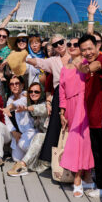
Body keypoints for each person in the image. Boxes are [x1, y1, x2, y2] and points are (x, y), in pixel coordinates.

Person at [76, 33, 102, 198]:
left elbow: (97, 65)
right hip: (93, 118)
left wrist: (83, 67)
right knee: (98, 154)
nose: (87, 52)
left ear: (97, 46)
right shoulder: (87, 62)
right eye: (84, 50)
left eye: (90, 48)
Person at [28, 34, 71, 165]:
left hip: (74, 94)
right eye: (55, 44)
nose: (59, 45)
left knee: (72, 126)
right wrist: (25, 59)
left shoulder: (74, 56)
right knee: (56, 126)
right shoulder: (53, 60)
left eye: (61, 42)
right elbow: (39, 62)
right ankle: (54, 161)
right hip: (58, 93)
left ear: (65, 41)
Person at [59, 41, 95, 198]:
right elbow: (61, 91)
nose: (72, 46)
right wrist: (62, 112)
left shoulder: (86, 63)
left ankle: (78, 178)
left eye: (75, 44)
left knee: (81, 140)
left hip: (83, 103)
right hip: (70, 106)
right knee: (79, 141)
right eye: (69, 44)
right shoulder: (64, 68)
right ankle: (86, 175)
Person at [5, 75, 38, 176]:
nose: (14, 86)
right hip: (19, 133)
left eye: (17, 83)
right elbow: (7, 118)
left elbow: (18, 104)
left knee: (24, 145)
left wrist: (8, 108)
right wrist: (14, 132)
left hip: (30, 131)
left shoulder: (26, 96)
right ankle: (30, 160)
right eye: (12, 84)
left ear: (22, 85)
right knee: (16, 157)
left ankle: (35, 161)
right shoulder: (10, 99)